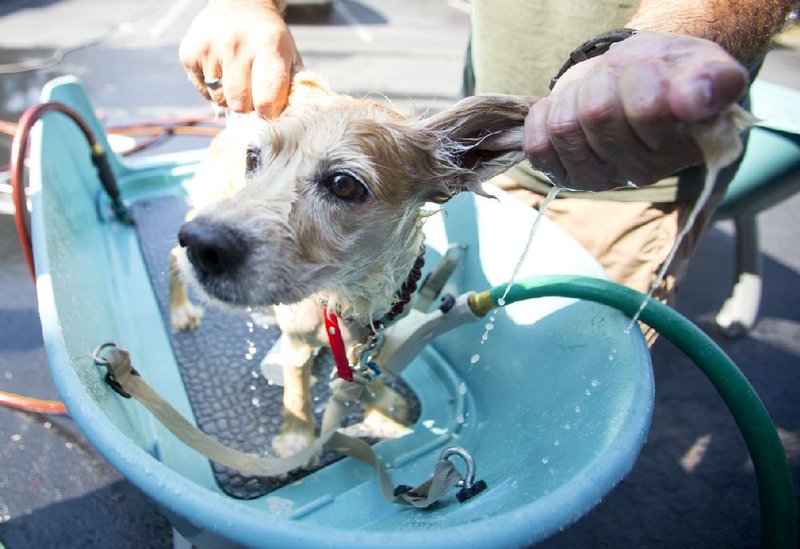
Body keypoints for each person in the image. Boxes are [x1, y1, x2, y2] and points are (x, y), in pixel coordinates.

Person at [178, 0, 794, 343]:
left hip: (621, 178)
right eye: (258, 157)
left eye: (342, 185)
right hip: (486, 162)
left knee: (556, 388)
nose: (211, 229)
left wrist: (655, 43)